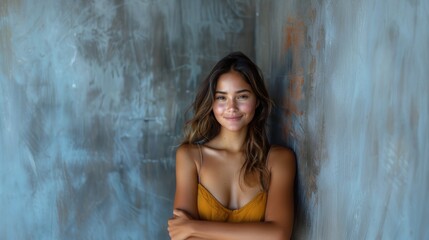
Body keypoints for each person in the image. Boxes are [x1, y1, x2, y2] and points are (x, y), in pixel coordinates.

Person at [168, 52, 296, 239]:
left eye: (242, 96)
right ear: (211, 103)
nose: (231, 107)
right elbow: (181, 235)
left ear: (257, 101)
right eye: (221, 97)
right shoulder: (190, 156)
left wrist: (194, 228)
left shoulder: (279, 160)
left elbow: (278, 234)